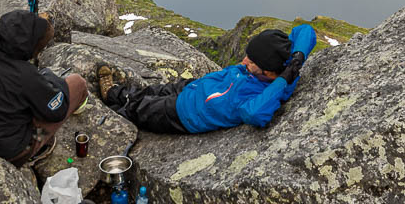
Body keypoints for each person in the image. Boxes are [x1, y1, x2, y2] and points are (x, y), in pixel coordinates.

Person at [100, 25, 316, 134]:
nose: (244, 60)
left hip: (184, 113)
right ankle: (118, 92)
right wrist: (298, 57)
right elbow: (305, 30)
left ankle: (110, 101)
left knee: (141, 108)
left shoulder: (263, 93)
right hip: (195, 87)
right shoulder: (285, 63)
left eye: (251, 61)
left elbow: (253, 114)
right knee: (154, 90)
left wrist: (282, 82)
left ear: (268, 73)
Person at [0, 9, 87, 166]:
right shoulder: (26, 76)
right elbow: (57, 111)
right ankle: (35, 151)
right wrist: (48, 77)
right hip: (6, 153)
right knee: (77, 84)